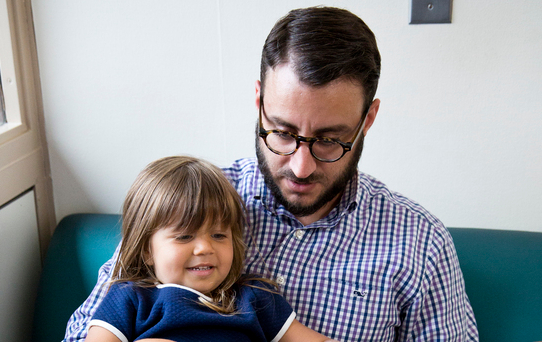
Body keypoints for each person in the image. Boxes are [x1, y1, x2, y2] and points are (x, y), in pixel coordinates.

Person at [65, 6, 478, 341]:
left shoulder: (420, 243)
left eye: (330, 140)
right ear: (259, 101)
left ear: (367, 119)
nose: (301, 166)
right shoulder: (188, 203)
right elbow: (84, 331)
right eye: (282, 133)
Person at [83, 156, 337, 342]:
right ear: (147, 249)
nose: (205, 248)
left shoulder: (255, 297)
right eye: (184, 236)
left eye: (218, 235)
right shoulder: (131, 297)